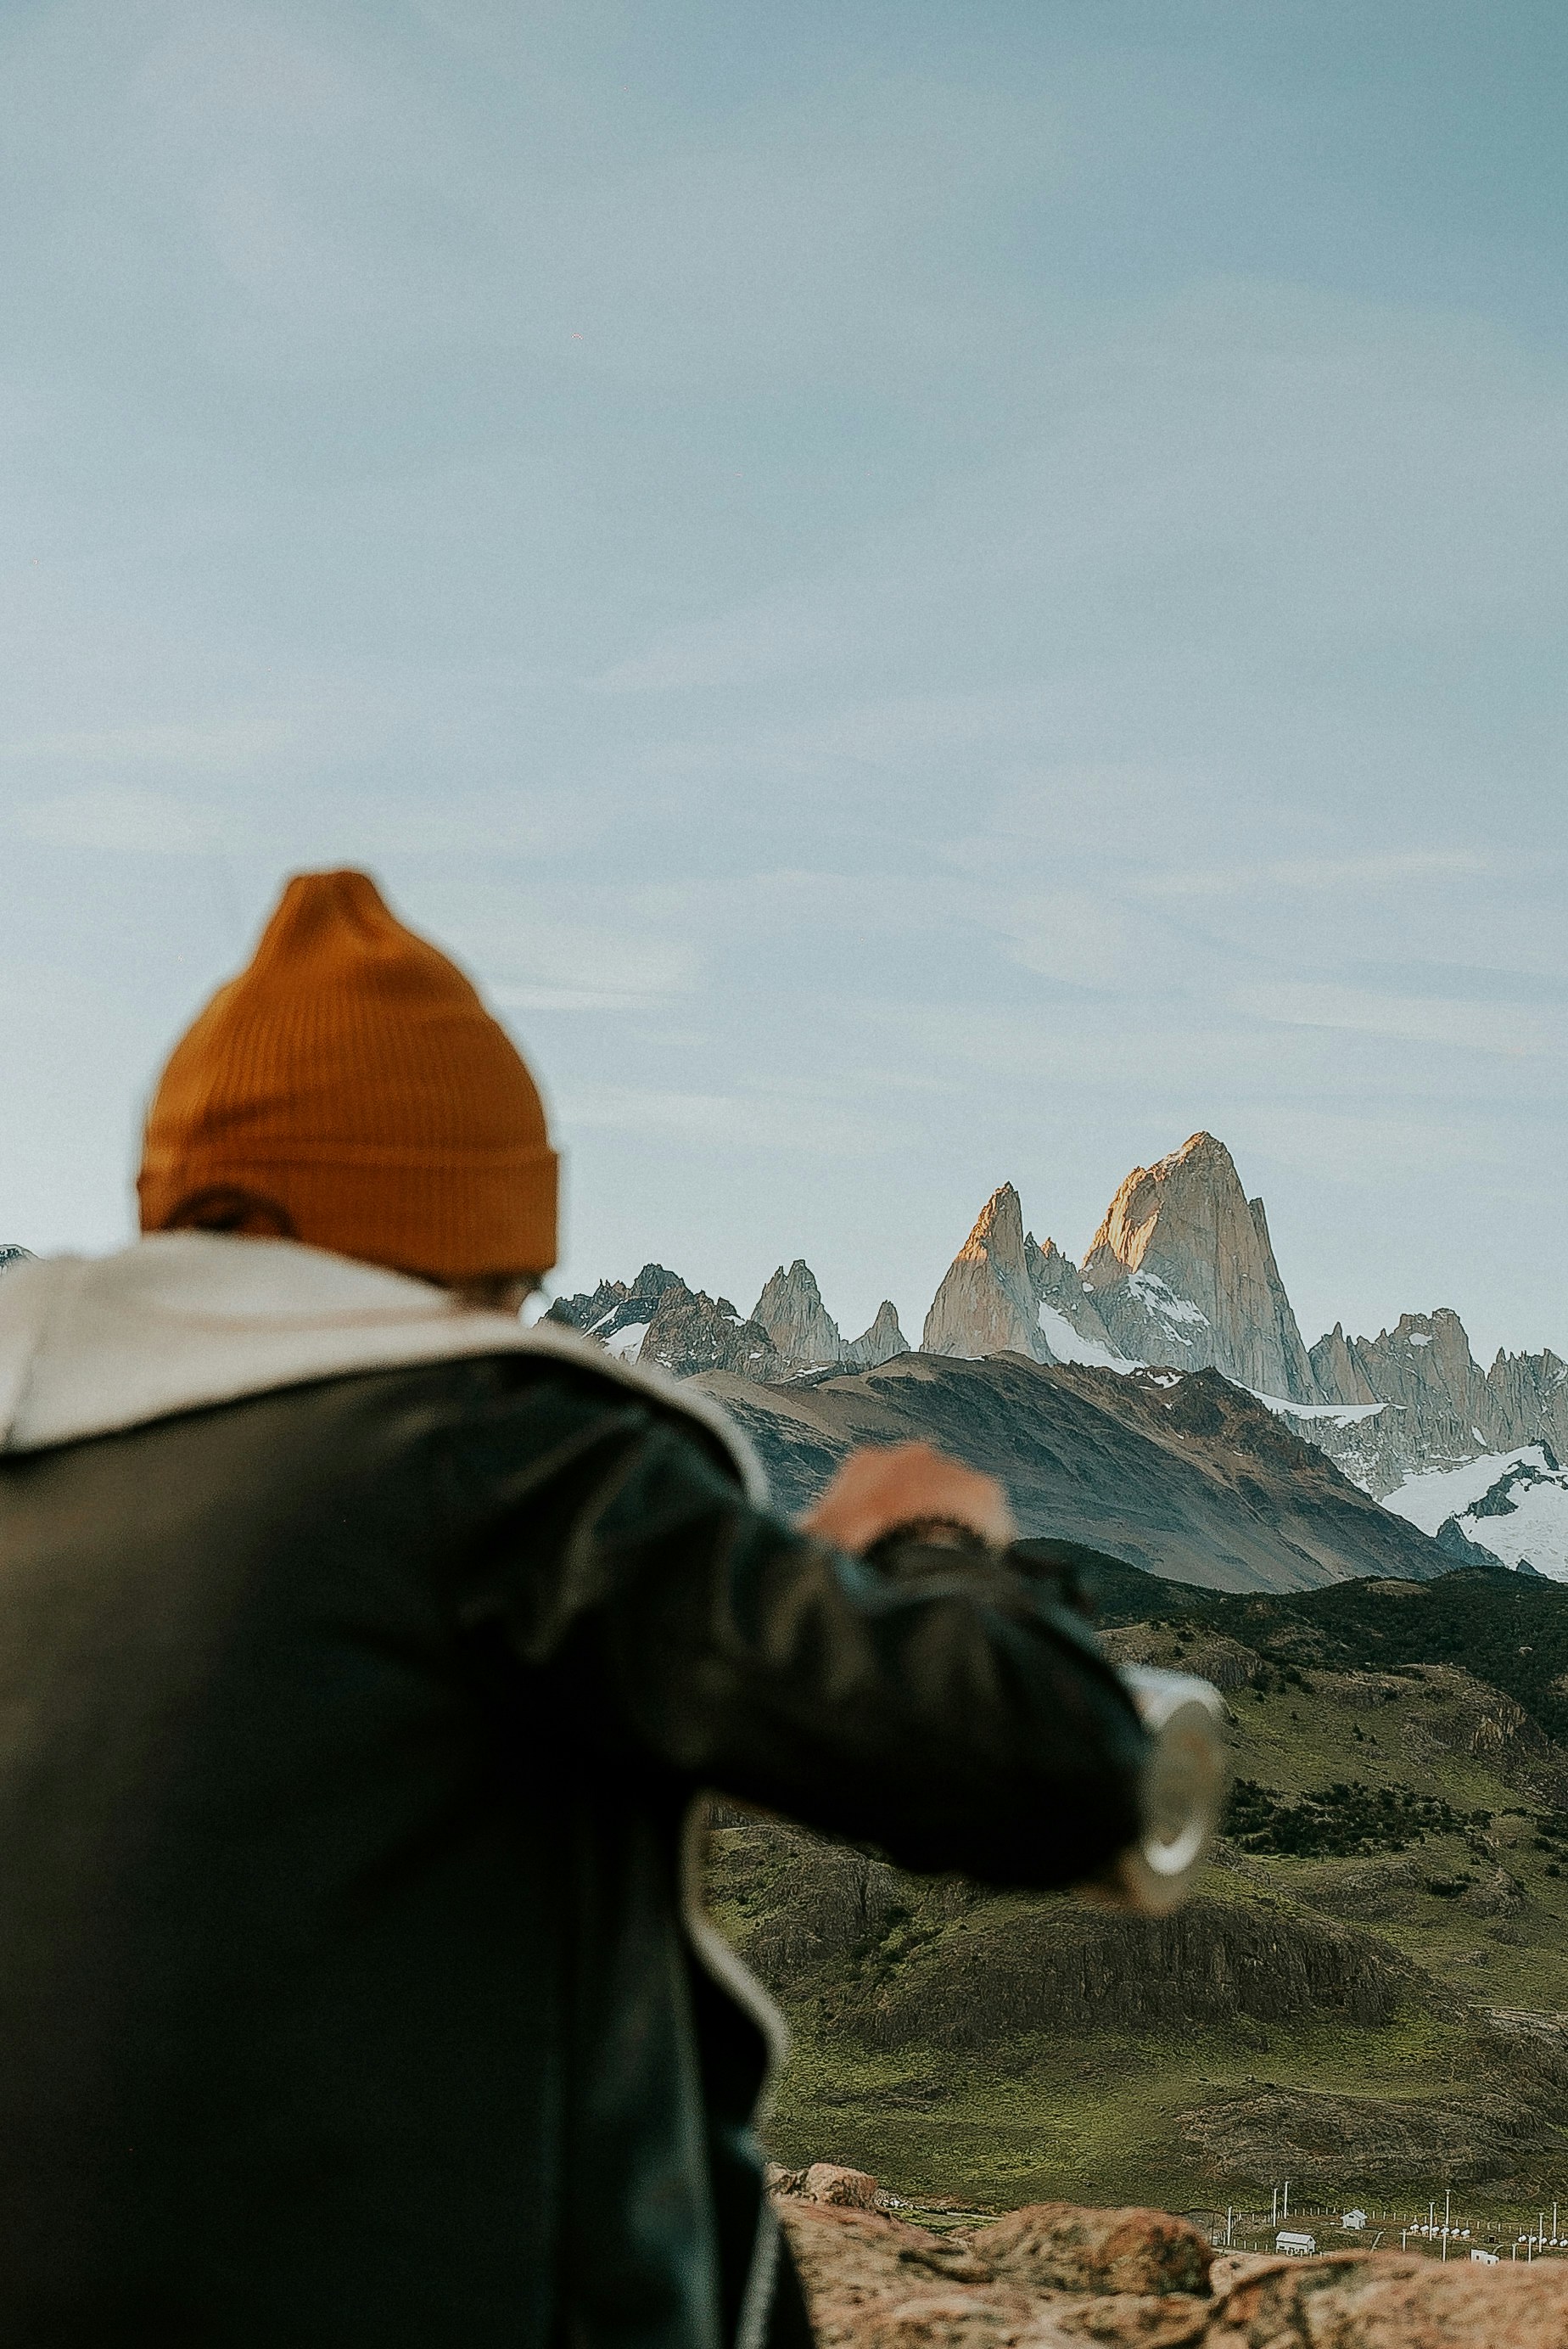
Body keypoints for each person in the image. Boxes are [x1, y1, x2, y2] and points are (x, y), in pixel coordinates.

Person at [0, 871, 1148, 2349]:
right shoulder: (494, 1454)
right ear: (468, 1233)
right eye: (518, 1274)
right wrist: (928, 1546)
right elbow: (1042, 1757)